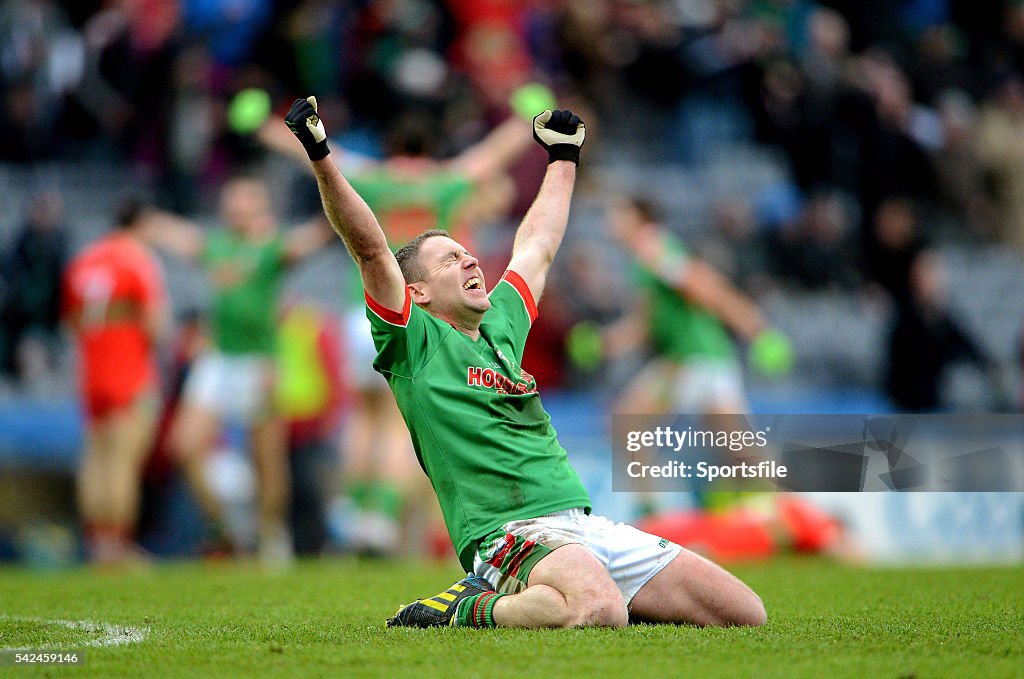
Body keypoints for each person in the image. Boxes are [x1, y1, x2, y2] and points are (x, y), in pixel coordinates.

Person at [284, 95, 766, 628]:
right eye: (448, 259)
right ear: (416, 291)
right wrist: (321, 155)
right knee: (600, 610)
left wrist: (562, 159)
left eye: (465, 252)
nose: (469, 258)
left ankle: (564, 593)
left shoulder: (501, 322)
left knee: (744, 614)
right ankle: (464, 608)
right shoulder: (412, 342)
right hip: (508, 531)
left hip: (582, 524)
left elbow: (538, 244)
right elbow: (371, 248)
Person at [255, 85, 550, 555]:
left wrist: (261, 126)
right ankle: (380, 519)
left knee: (362, 418)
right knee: (397, 423)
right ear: (430, 148)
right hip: (421, 317)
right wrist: (528, 114)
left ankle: (352, 512)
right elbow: (492, 154)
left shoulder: (373, 176)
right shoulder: (447, 180)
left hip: (368, 312)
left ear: (392, 147)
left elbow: (309, 152)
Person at [142, 175, 333, 565]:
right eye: (232, 200)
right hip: (218, 358)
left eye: (245, 200)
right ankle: (228, 530)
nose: (237, 208)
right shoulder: (217, 245)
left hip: (258, 362)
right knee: (183, 446)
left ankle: (269, 536)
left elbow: (314, 236)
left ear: (260, 207)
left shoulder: (271, 247)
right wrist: (147, 220)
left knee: (267, 457)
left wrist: (343, 207)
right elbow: (182, 237)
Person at [606, 196, 792, 417]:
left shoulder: (654, 250)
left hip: (690, 360)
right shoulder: (643, 258)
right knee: (739, 447)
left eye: (618, 215)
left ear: (639, 218)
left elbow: (708, 288)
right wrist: (606, 344)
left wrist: (757, 331)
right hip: (702, 358)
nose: (610, 222)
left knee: (626, 421)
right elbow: (646, 323)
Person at [62, 199, 169, 565]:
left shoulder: (84, 259)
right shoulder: (137, 259)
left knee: (95, 459)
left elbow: (71, 321)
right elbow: (156, 324)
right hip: (130, 372)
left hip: (93, 373)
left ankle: (97, 545)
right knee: (124, 462)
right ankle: (119, 548)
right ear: (144, 223)